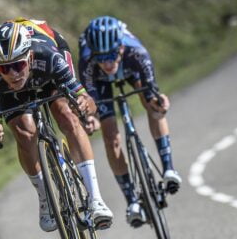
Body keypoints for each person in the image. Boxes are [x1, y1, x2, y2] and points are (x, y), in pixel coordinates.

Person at [0, 18, 113, 232]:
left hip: (46, 70)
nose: (13, 74)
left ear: (28, 57)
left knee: (66, 114)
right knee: (24, 133)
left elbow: (89, 103)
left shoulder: (48, 56)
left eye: (18, 65)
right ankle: (45, 197)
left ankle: (96, 199)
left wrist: (84, 105)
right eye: (4, 68)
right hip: (10, 92)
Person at [78, 16, 182, 227]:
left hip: (129, 69)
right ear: (94, 54)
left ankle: (169, 169)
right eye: (102, 57)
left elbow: (152, 90)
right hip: (99, 83)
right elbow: (91, 105)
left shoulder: (137, 52)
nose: (107, 63)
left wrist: (159, 102)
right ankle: (131, 201)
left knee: (152, 106)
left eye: (112, 56)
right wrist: (92, 119)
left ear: (122, 48)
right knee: (111, 137)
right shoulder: (88, 62)